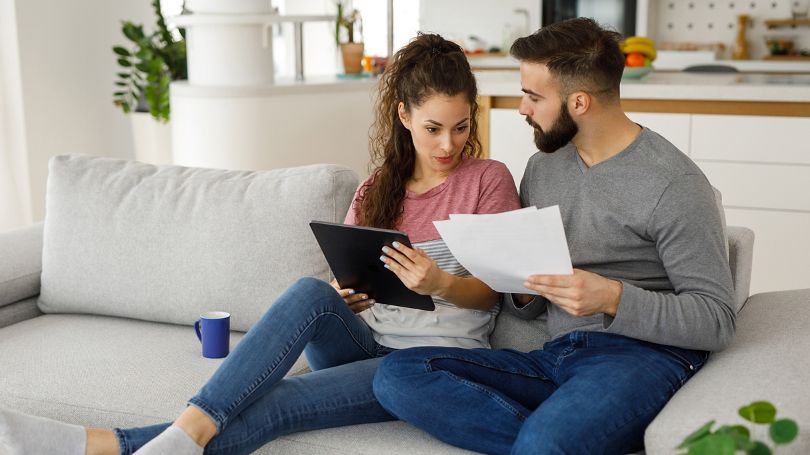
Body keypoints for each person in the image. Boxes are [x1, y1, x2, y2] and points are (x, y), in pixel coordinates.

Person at [0, 33, 520, 455]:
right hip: (364, 341)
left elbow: (493, 295)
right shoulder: (377, 187)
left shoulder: (488, 180)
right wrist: (349, 294)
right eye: (433, 128)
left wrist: (440, 283)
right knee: (310, 293)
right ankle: (174, 437)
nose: (448, 144)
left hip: (424, 364)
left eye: (460, 127)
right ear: (404, 117)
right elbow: (348, 283)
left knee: (275, 405)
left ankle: (106, 444)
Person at [372, 18, 737, 455]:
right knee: (397, 375)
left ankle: (553, 440)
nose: (522, 108)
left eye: (533, 96)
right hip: (556, 357)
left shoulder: (673, 183)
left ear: (578, 102)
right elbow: (526, 304)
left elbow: (717, 320)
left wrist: (613, 297)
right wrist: (522, 291)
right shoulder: (544, 168)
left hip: (640, 358)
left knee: (547, 440)